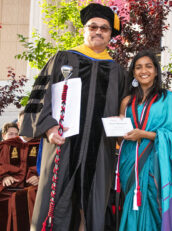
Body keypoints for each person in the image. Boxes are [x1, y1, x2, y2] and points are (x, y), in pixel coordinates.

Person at [19, 3, 126, 231]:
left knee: (94, 207)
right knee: (55, 204)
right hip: (62, 145)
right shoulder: (62, 59)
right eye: (93, 26)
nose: (98, 31)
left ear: (110, 35)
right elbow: (39, 97)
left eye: (104, 28)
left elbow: (127, 110)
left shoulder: (117, 71)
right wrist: (48, 128)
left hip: (100, 152)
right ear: (84, 30)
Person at [116, 50, 172, 231]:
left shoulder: (169, 98)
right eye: (138, 67)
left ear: (156, 71)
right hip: (129, 162)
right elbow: (121, 138)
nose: (144, 71)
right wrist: (117, 127)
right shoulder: (126, 101)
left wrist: (143, 134)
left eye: (149, 66)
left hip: (157, 164)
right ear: (133, 73)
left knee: (154, 209)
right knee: (131, 207)